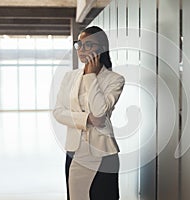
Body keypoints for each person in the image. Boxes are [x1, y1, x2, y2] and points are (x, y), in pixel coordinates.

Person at [53, 26, 125, 200]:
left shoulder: (115, 79)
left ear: (101, 49)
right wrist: (85, 119)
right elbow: (58, 112)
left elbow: (100, 115)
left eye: (88, 45)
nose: (82, 50)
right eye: (80, 45)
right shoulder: (69, 77)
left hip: (103, 153)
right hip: (75, 151)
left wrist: (90, 77)